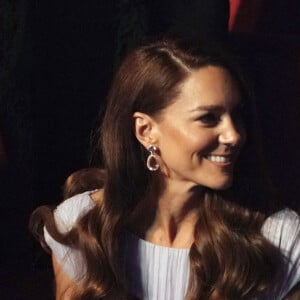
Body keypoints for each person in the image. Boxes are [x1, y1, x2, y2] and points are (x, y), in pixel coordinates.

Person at [30, 39, 300, 299]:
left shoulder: (278, 237)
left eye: (236, 114)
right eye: (208, 118)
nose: (234, 135)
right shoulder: (83, 226)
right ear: (146, 131)